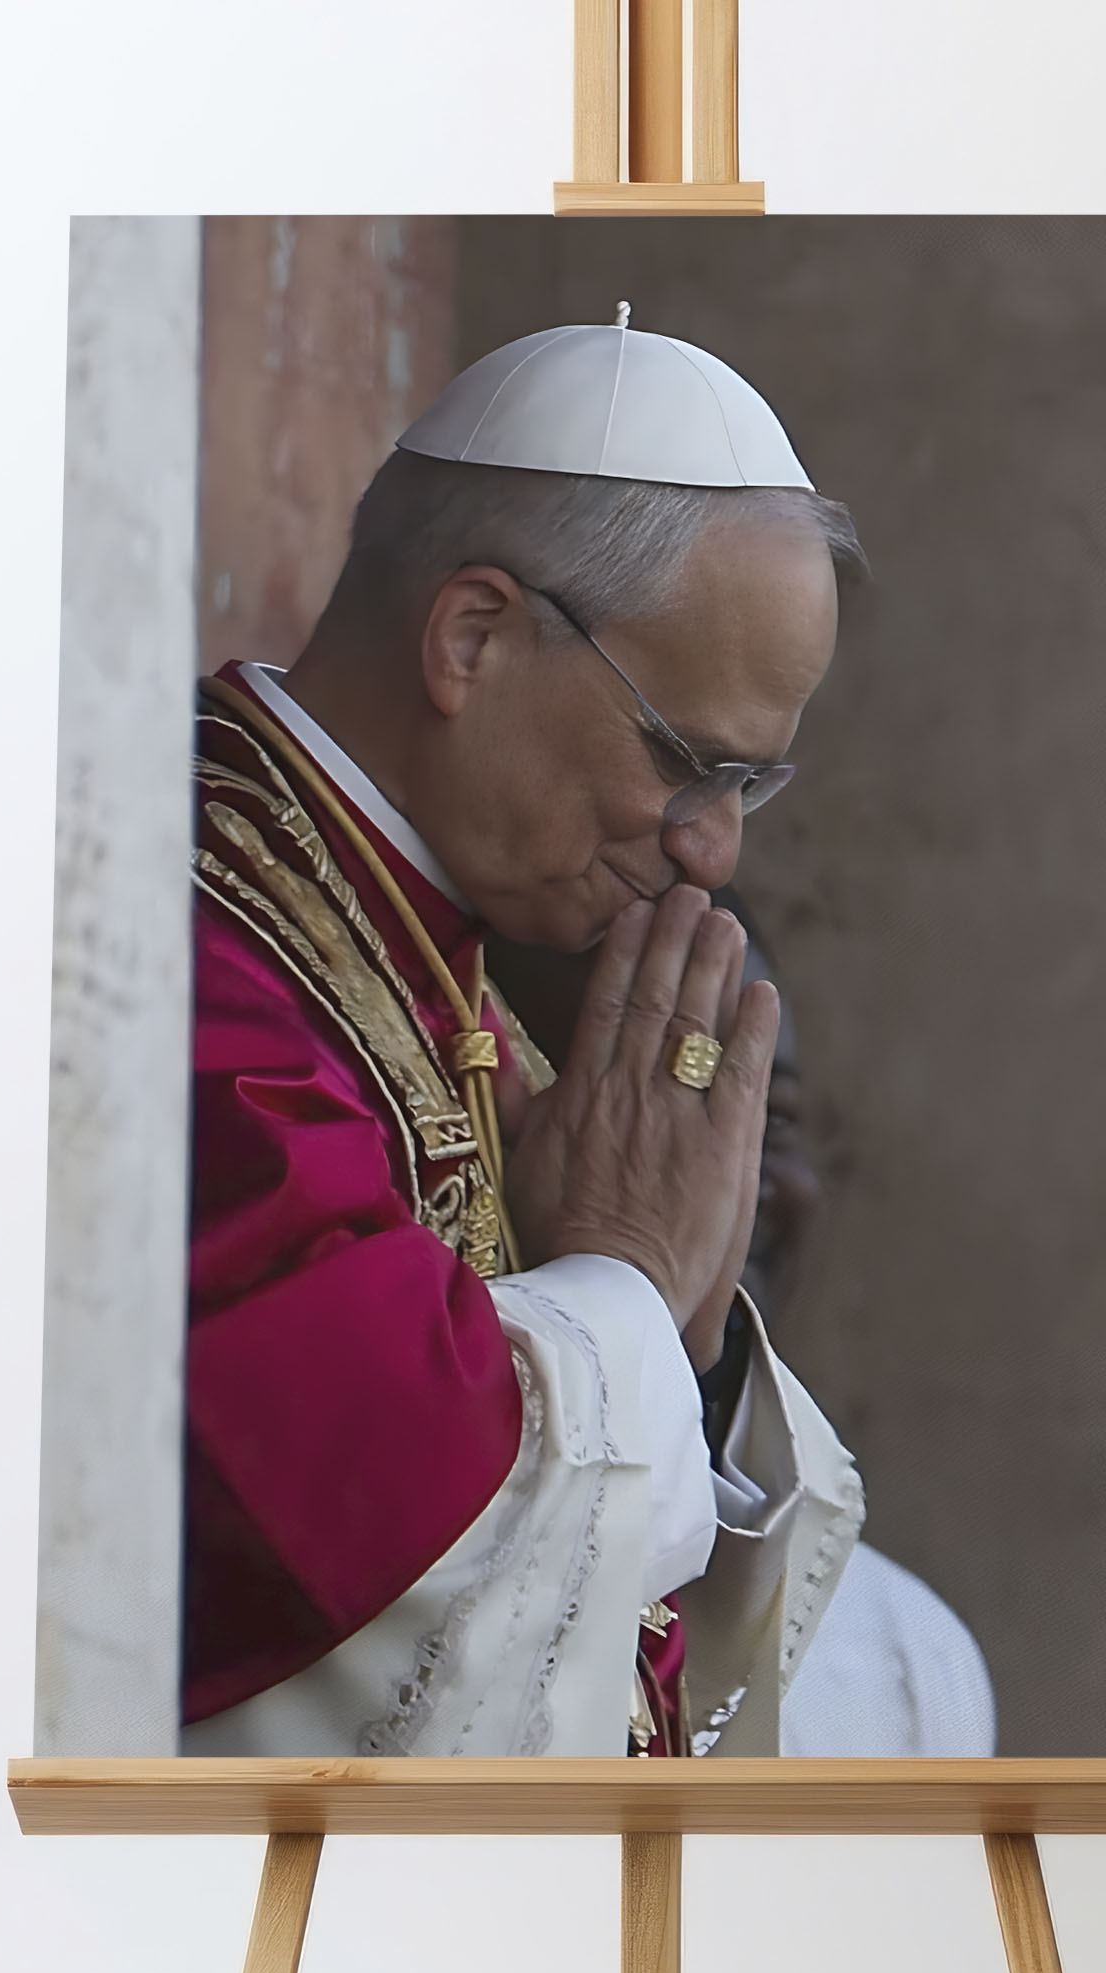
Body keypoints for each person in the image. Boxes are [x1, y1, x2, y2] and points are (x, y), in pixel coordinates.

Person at [181, 312, 868, 1758]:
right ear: (473, 637)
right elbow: (288, 1521)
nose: (713, 850)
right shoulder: (184, 948)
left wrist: (668, 1330)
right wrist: (621, 1281)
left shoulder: (457, 983)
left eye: (752, 784)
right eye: (686, 760)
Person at [490, 895, 999, 1758]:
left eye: (773, 1114)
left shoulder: (908, 1658)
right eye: (655, 1100)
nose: (727, 1171)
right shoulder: (430, 1595)